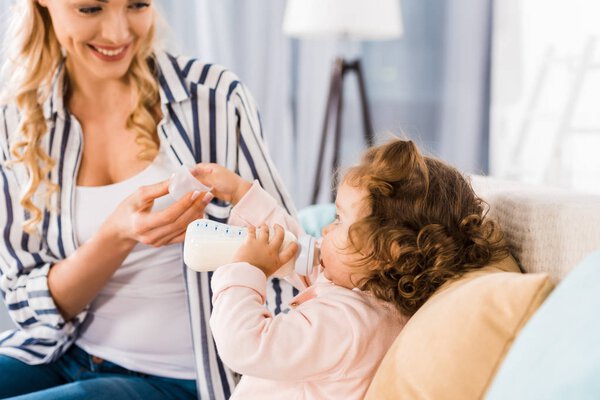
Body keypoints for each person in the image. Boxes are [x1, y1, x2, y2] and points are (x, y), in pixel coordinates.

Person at [0, 1, 296, 399]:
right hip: (59, 353)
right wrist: (118, 234)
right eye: (91, 9)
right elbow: (26, 306)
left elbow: (285, 257)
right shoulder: (18, 119)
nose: (118, 33)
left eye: (137, 5)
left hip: (181, 377)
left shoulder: (213, 100)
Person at [200, 138, 510, 399]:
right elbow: (295, 249)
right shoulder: (367, 296)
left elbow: (245, 344)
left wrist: (244, 269)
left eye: (339, 220)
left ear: (388, 252)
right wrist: (242, 194)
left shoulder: (346, 325)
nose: (324, 231)